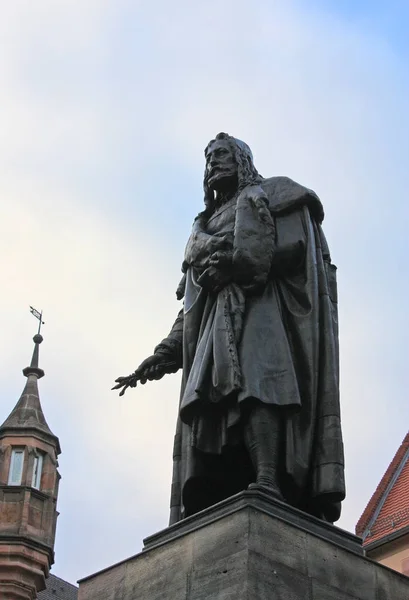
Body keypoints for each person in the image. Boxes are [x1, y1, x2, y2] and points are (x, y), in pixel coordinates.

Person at [114, 132, 345, 525]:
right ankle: (222, 488)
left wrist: (239, 262)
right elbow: (191, 306)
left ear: (242, 160)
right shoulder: (200, 229)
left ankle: (269, 479)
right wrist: (164, 353)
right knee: (213, 407)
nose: (213, 164)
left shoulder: (275, 195)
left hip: (263, 311)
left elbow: (296, 249)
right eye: (208, 159)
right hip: (214, 329)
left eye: (221, 155)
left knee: (262, 386)